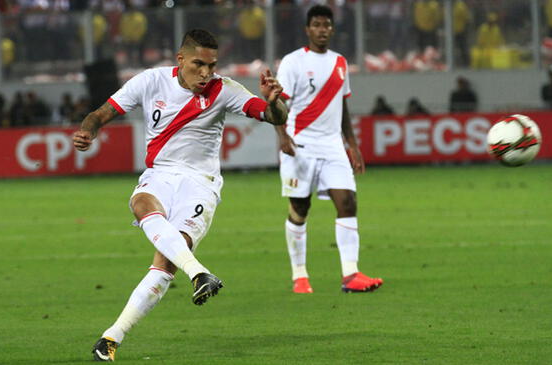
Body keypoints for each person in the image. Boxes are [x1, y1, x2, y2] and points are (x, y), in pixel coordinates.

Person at [73, 29, 287, 362]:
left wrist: (276, 102)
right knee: (140, 204)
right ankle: (200, 273)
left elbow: (273, 116)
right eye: (199, 64)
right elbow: (101, 113)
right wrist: (88, 130)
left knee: (165, 262)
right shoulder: (151, 82)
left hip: (200, 183)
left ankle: (112, 337)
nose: (206, 73)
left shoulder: (226, 90)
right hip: (159, 175)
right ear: (181, 59)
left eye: (212, 65)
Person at [274, 5, 383, 295]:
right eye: (317, 25)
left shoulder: (340, 63)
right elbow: (277, 103)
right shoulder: (293, 62)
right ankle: (300, 275)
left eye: (327, 25)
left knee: (347, 202)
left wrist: (353, 144)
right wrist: (281, 135)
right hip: (300, 145)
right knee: (300, 208)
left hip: (333, 145)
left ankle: (351, 274)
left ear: (332, 29)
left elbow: (342, 104)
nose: (322, 30)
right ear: (307, 29)